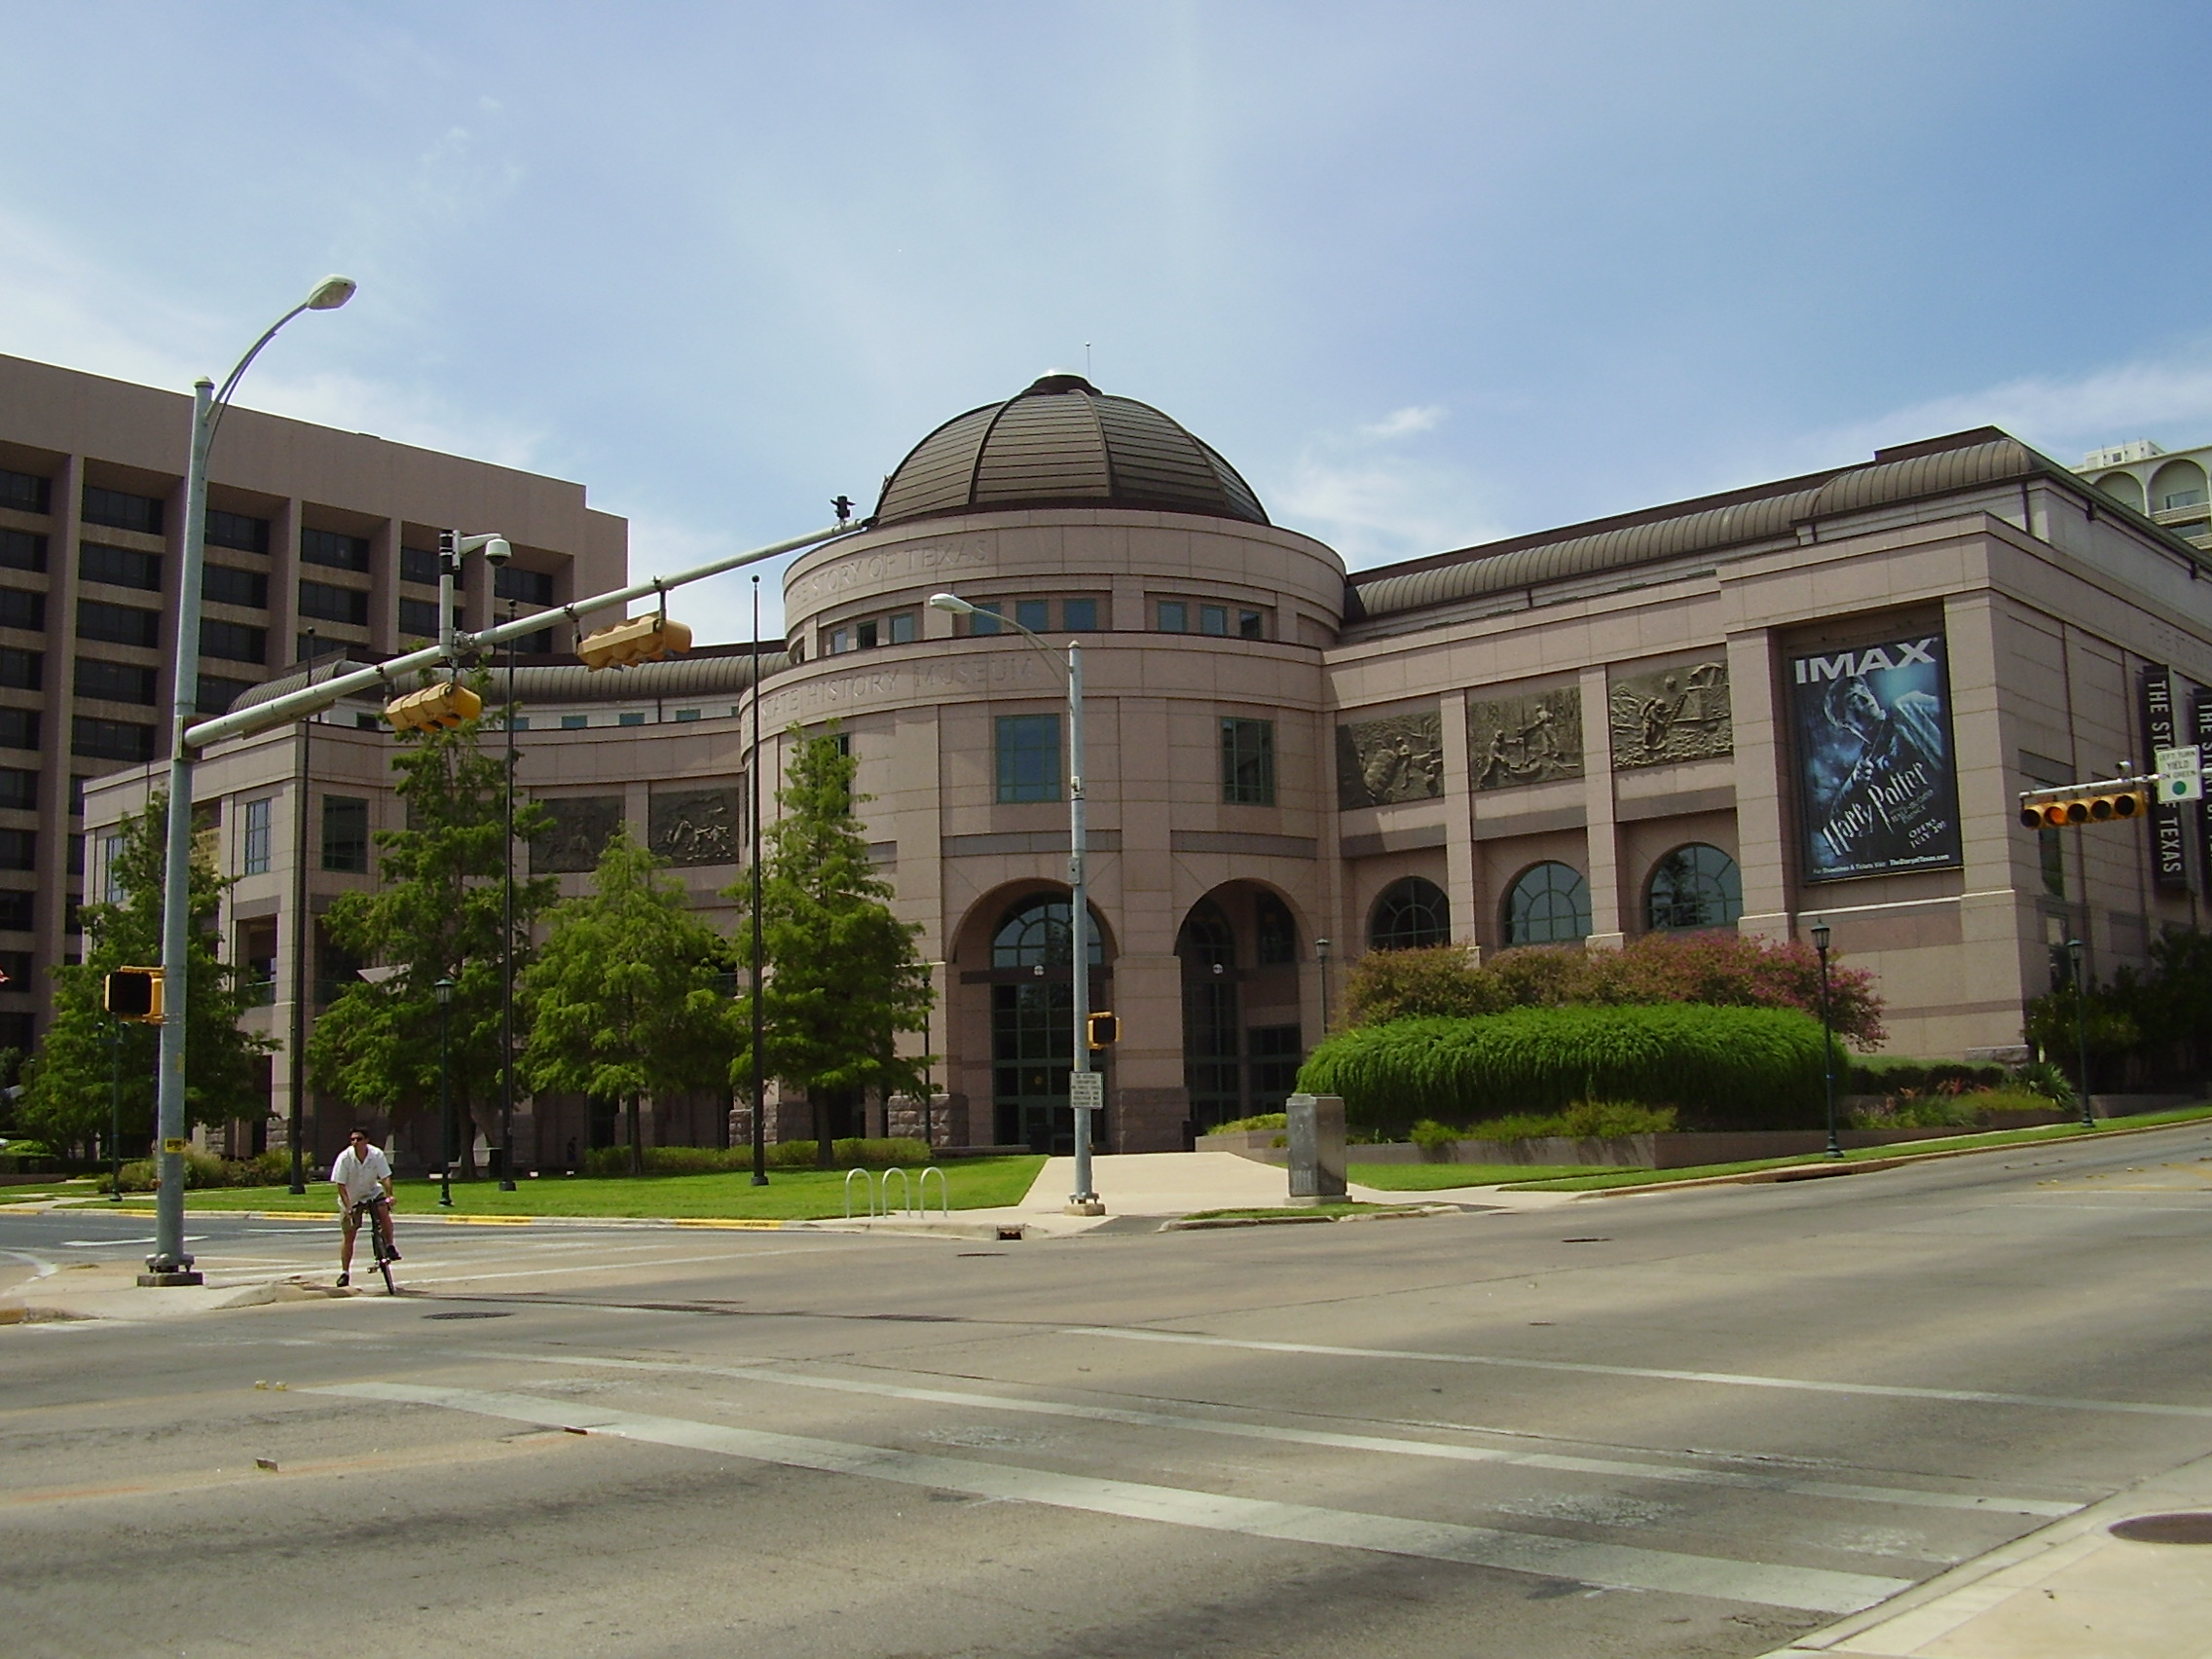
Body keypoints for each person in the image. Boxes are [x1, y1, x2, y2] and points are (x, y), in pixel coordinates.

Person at [332, 1128, 399, 1287]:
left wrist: (390, 1195)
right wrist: (348, 1208)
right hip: (351, 1197)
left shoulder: (376, 1155)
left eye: (359, 1139)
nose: (355, 1142)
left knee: (383, 1210)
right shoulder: (345, 1158)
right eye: (353, 1140)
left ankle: (389, 1246)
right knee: (349, 1234)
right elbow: (340, 1186)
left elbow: (385, 1177)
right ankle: (345, 1272)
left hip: (371, 1192)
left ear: (367, 1140)